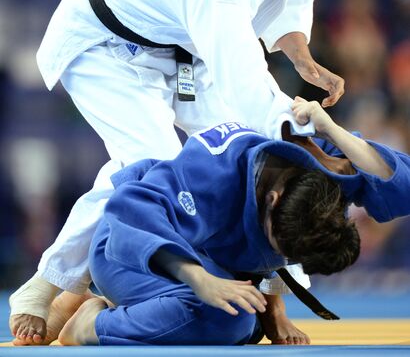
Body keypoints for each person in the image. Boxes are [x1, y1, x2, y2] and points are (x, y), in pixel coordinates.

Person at [9, 0, 345, 344]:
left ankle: (274, 301)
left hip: (178, 47)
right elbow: (241, 74)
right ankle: (48, 284)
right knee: (151, 166)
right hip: (105, 44)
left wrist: (301, 59)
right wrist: (302, 130)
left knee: (257, 159)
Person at [38, 97, 409, 346]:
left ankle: (118, 307)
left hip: (212, 258)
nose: (279, 258)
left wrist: (332, 130)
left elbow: (404, 189)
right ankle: (90, 323)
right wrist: (200, 280)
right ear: (273, 199)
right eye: (278, 244)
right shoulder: (215, 171)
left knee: (242, 324)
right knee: (224, 320)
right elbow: (129, 213)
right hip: (131, 249)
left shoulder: (321, 170)